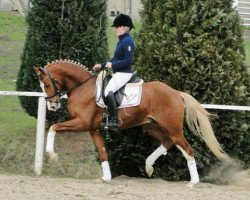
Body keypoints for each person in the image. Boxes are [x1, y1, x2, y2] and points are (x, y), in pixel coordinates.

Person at [93, 14, 135, 130]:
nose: (115, 29)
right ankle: (106, 116)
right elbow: (115, 58)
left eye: (116, 27)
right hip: (118, 73)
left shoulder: (127, 41)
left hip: (124, 73)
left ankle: (114, 121)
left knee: (108, 91)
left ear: (123, 27)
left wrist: (112, 65)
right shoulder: (121, 41)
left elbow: (129, 61)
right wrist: (101, 65)